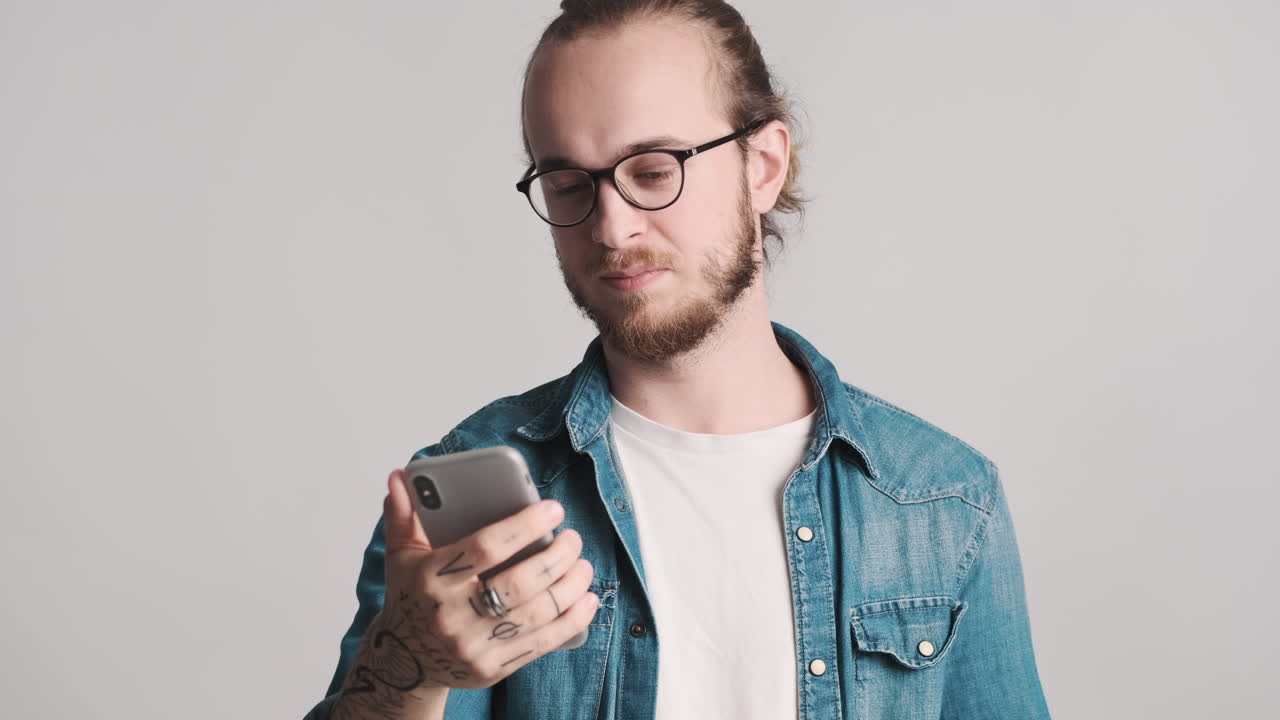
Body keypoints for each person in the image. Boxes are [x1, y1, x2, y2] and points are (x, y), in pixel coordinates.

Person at [304, 1, 1051, 718]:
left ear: (763, 166)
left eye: (654, 170)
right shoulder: (471, 485)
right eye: (567, 184)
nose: (612, 226)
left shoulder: (942, 500)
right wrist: (408, 671)